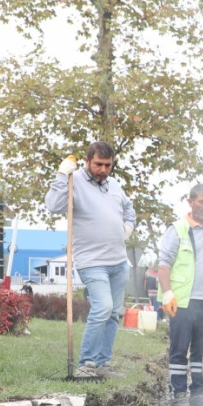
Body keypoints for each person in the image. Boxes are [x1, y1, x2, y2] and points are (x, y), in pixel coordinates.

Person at [44, 142, 135, 378]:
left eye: (108, 165)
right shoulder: (75, 182)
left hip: (118, 261)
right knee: (102, 307)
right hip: (91, 261)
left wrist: (128, 227)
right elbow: (53, 206)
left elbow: (129, 208)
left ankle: (103, 364)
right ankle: (86, 364)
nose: (103, 170)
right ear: (87, 161)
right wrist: (62, 173)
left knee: (114, 313)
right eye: (98, 164)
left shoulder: (114, 185)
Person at [157, 184, 203, 406]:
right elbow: (164, 265)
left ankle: (197, 393)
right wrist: (167, 294)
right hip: (182, 301)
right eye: (202, 202)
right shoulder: (177, 230)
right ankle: (178, 395)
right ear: (191, 202)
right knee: (179, 348)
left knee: (201, 350)